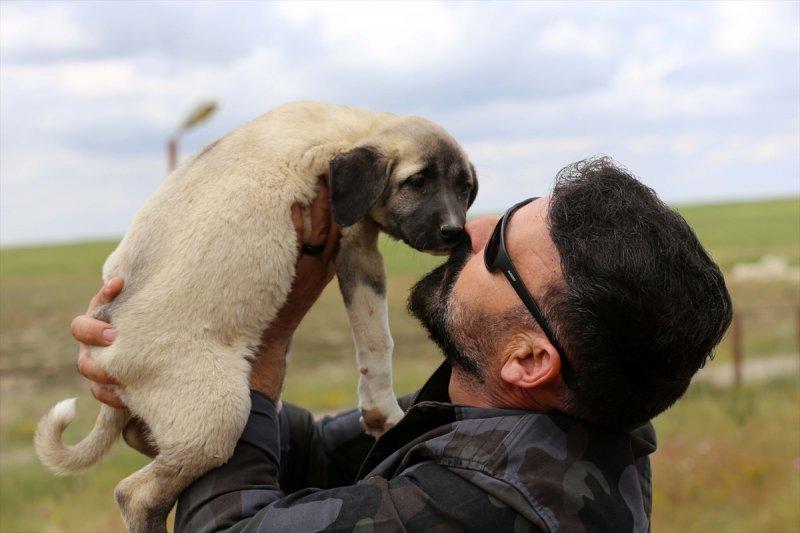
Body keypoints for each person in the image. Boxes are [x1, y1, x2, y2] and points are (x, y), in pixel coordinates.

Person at [72, 157, 732, 532]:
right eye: (505, 210)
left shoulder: (485, 512)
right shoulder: (532, 424)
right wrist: (178, 380)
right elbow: (313, 457)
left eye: (498, 246)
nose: (468, 227)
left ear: (529, 358)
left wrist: (259, 343)